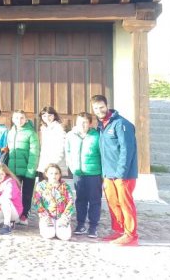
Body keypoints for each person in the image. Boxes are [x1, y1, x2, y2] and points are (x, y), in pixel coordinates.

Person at [93, 94, 139, 246]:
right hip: (108, 173)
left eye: (101, 107)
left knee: (125, 203)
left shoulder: (121, 124)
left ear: (107, 106)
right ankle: (118, 231)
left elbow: (127, 150)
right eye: (96, 108)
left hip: (122, 174)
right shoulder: (101, 126)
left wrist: (121, 173)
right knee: (113, 203)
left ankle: (130, 234)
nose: (99, 110)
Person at [65, 111, 102, 238]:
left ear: (90, 123)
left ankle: (93, 226)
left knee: (94, 200)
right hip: (78, 173)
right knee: (80, 199)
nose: (83, 125)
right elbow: (68, 151)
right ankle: (80, 224)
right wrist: (71, 165)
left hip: (93, 173)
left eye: (85, 122)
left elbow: (102, 154)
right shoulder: (71, 135)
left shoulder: (96, 136)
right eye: (80, 122)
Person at [7, 110, 40, 225]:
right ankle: (13, 214)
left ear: (26, 119)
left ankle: (24, 215)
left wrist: (31, 170)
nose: (19, 120)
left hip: (27, 169)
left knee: (27, 193)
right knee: (13, 193)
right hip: (13, 169)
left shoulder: (31, 133)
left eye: (21, 118)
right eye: (16, 118)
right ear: (12, 119)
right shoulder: (11, 132)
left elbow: (34, 153)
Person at [32, 163, 76, 241]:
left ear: (60, 174)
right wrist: (44, 216)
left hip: (62, 216)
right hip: (47, 217)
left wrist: (65, 216)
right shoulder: (41, 186)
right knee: (48, 234)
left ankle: (59, 226)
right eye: (51, 173)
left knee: (64, 237)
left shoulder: (65, 186)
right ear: (46, 174)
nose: (54, 175)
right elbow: (37, 202)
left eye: (56, 173)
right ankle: (50, 226)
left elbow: (70, 202)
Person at [37, 106, 68, 176]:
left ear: (54, 116)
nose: (47, 118)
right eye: (44, 116)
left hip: (56, 164)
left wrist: (55, 163)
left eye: (49, 115)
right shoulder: (43, 128)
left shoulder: (59, 128)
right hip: (45, 163)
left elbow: (62, 146)